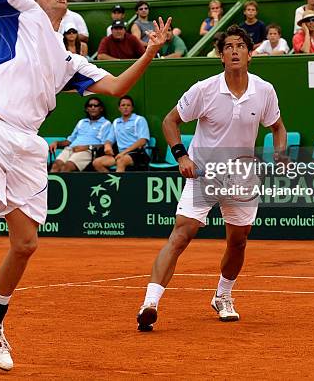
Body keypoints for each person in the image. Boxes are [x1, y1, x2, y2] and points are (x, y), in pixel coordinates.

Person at [0, 0, 170, 371]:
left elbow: (117, 88)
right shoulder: (18, 11)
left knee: (27, 244)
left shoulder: (70, 58)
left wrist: (151, 52)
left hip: (29, 145)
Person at [136, 24, 286, 331]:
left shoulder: (265, 90)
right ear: (220, 55)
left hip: (242, 177)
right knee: (182, 234)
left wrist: (280, 154)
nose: (234, 51)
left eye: (240, 46)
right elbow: (170, 121)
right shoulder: (204, 89)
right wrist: (181, 156)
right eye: (228, 47)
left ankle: (223, 296)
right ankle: (149, 303)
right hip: (204, 175)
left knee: (238, 241)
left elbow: (278, 128)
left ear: (250, 54)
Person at [49, 99, 112, 172]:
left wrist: (86, 147)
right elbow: (69, 141)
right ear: (87, 109)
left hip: (87, 151)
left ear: (101, 109)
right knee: (55, 166)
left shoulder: (106, 124)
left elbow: (104, 145)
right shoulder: (81, 122)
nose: (93, 108)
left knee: (66, 168)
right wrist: (56, 143)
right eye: (90, 106)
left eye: (96, 105)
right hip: (71, 149)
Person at [92, 96, 151, 172]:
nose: (125, 107)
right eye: (123, 105)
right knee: (97, 163)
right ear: (119, 108)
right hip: (120, 154)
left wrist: (124, 152)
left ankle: (120, 183)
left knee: (121, 161)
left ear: (132, 108)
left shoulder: (139, 120)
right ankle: (111, 181)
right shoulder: (116, 122)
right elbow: (109, 139)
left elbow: (143, 140)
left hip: (139, 154)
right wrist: (107, 146)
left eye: (128, 105)